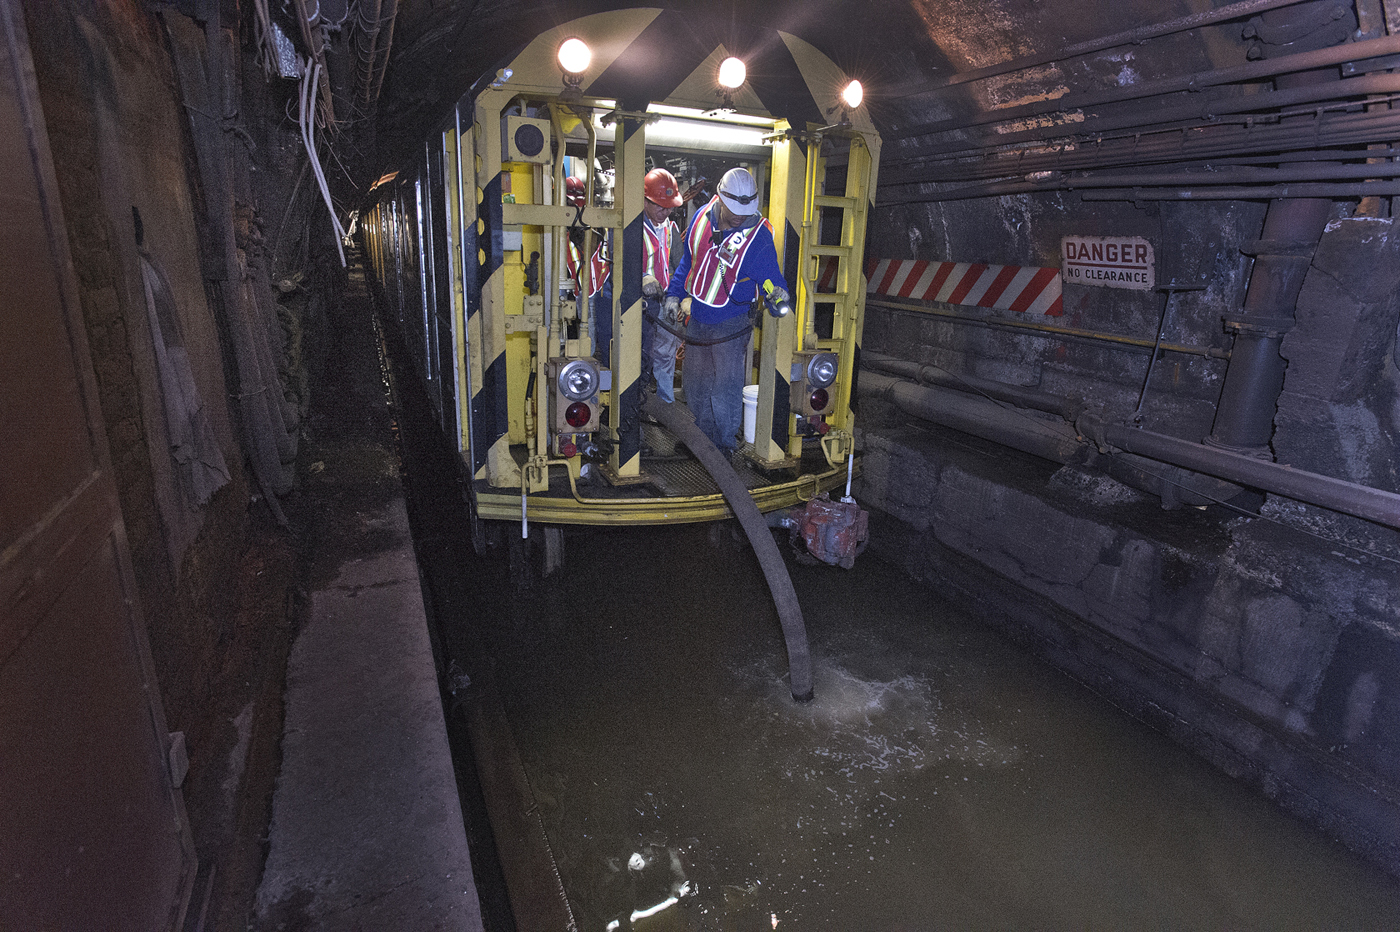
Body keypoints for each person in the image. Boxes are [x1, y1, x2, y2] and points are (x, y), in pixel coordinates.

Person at [665, 167, 789, 457]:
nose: (739, 217)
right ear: (719, 198)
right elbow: (688, 262)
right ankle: (702, 438)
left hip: (730, 323)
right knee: (695, 384)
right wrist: (674, 294)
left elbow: (771, 279)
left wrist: (778, 296)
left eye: (744, 211)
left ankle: (723, 445)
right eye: (733, 210)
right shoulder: (701, 219)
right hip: (698, 317)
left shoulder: (758, 237)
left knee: (725, 387)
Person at [639, 168, 683, 402]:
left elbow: (681, 265)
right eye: (659, 206)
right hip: (639, 306)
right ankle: (639, 405)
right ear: (644, 201)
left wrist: (678, 296)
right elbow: (617, 262)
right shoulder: (630, 227)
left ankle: (665, 404)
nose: (665, 212)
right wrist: (641, 277)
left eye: (669, 207)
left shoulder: (671, 229)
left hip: (664, 302)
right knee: (641, 357)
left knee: (666, 355)